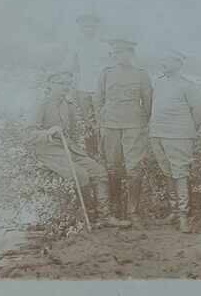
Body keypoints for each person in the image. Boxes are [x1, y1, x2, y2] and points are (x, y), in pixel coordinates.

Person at [26, 71, 128, 229]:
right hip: (48, 151)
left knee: (99, 171)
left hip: (69, 148)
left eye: (68, 84)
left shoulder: (69, 105)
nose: (65, 87)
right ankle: (89, 216)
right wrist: (48, 132)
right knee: (80, 175)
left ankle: (104, 216)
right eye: (61, 83)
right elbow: (29, 134)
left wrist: (76, 148)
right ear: (50, 85)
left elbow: (73, 132)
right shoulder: (42, 104)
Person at [148, 49, 201, 232]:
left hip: (179, 136)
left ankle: (183, 215)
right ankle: (174, 210)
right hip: (158, 134)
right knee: (168, 172)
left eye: (167, 60)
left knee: (180, 173)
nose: (163, 63)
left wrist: (186, 128)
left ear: (179, 63)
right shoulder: (158, 83)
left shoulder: (188, 85)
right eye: (162, 60)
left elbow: (200, 110)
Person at [94, 37, 152, 222]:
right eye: (117, 53)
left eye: (125, 52)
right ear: (113, 55)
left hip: (134, 125)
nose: (121, 56)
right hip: (110, 125)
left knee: (134, 169)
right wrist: (101, 121)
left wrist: (143, 122)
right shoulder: (106, 73)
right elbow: (98, 99)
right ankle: (115, 209)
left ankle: (133, 211)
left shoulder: (141, 74)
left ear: (132, 54)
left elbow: (148, 101)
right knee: (112, 168)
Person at [62, 12, 110, 158]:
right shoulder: (76, 46)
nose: (88, 29)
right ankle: (92, 153)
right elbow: (71, 68)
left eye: (91, 26)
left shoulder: (104, 45)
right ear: (80, 28)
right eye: (85, 26)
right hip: (83, 89)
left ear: (96, 27)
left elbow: (110, 68)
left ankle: (106, 154)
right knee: (88, 122)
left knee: (102, 121)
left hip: (100, 90)